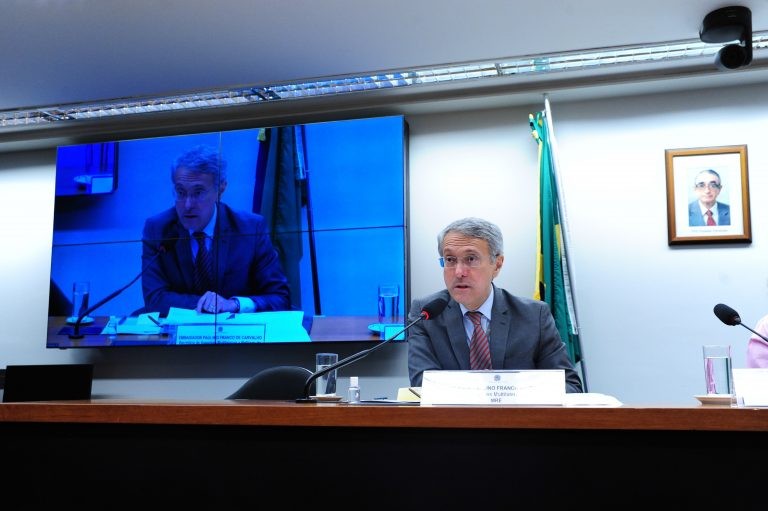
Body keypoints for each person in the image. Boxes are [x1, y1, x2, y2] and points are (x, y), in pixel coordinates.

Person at [407, 217, 583, 393]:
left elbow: (569, 386)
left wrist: (508, 397)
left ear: (497, 265)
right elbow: (424, 386)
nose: (459, 272)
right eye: (450, 260)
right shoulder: (426, 314)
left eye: (471, 259)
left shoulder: (534, 315)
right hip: (453, 421)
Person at [141, 145, 291, 316]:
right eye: (181, 192)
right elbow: (154, 299)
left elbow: (280, 297)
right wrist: (209, 304)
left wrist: (233, 304)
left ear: (221, 189)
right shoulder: (158, 229)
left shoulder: (250, 228)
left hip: (237, 336)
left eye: (198, 193)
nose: (188, 205)